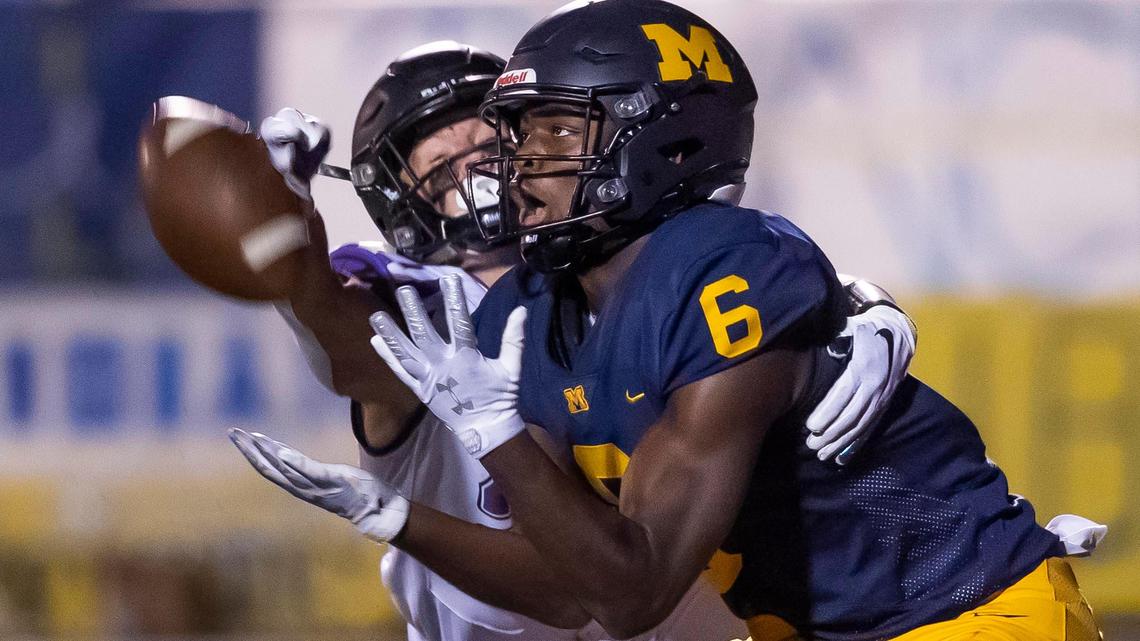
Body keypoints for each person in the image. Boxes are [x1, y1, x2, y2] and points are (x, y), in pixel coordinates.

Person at [360, 2, 1104, 640]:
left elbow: (632, 591)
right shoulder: (530, 308)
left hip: (965, 612)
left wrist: (495, 434)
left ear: (666, 140)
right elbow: (572, 584)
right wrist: (395, 516)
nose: (520, 162)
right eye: (517, 134)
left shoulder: (724, 267)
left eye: (555, 131)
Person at [235, 39, 922, 641]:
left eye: (487, 149)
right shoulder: (418, 305)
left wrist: (853, 303)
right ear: (401, 204)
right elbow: (331, 319)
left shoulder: (631, 264)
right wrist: (283, 219)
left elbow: (744, 278)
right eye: (442, 172)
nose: (477, 179)